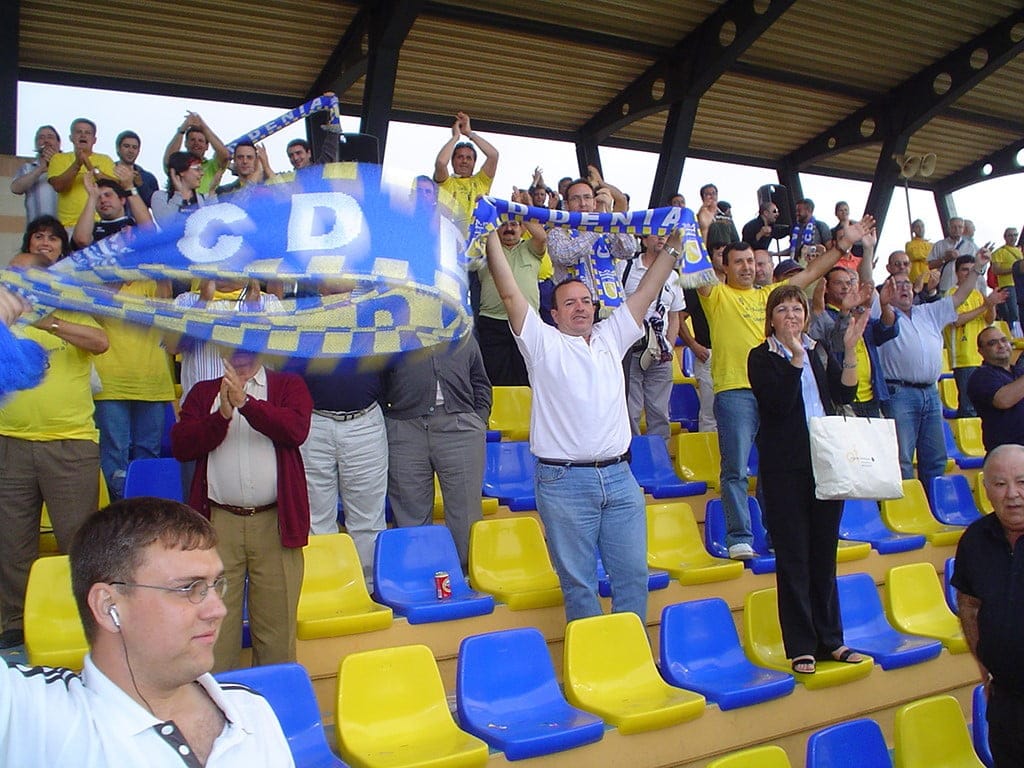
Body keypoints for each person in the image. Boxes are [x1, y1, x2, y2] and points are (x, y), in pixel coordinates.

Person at [484, 222, 684, 623]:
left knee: (632, 576)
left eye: (586, 301)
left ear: (595, 307)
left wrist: (675, 247)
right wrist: (491, 234)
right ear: (553, 314)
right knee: (579, 585)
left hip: (620, 478)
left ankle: (629, 660)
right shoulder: (541, 343)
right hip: (564, 482)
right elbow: (508, 291)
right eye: (569, 302)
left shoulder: (613, 335)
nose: (580, 307)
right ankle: (594, 667)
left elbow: (647, 291)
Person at [0, 496, 295, 766]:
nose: (218, 609)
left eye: (216, 584)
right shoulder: (33, 716)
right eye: (188, 588)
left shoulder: (252, 710)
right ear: (108, 606)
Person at [697, 220, 874, 560]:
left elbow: (808, 275)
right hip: (736, 390)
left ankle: (777, 532)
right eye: (738, 262)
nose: (747, 267)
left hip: (779, 390)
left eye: (751, 261)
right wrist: (701, 229)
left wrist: (842, 246)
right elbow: (697, 267)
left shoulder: (770, 297)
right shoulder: (717, 294)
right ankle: (739, 536)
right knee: (735, 467)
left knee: (773, 466)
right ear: (725, 266)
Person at [748, 284, 870, 674]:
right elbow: (779, 404)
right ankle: (801, 644)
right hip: (786, 469)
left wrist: (848, 349)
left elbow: (843, 391)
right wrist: (795, 359)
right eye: (782, 310)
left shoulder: (818, 348)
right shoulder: (761, 357)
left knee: (823, 553)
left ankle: (831, 639)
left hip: (826, 463)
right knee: (794, 556)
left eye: (797, 309)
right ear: (771, 319)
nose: (792, 317)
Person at [171, 349, 313, 672]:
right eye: (234, 346)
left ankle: (272, 710)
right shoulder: (203, 393)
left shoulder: (288, 386)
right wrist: (221, 416)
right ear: (221, 349)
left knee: (278, 633)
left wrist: (246, 405)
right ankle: (219, 712)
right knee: (214, 632)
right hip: (219, 524)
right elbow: (182, 445)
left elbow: (294, 430)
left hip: (275, 523)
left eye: (250, 346)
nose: (241, 355)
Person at [0, 251, 110, 649]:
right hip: (10, 442)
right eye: (11, 272)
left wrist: (48, 321)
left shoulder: (72, 306)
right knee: (12, 542)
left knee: (77, 540)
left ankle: (84, 621)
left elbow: (101, 342)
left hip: (70, 444)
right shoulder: (2, 318)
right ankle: (15, 624)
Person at [877, 247, 991, 492]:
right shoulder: (882, 314)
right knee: (902, 459)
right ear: (887, 291)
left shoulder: (929, 311)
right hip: (900, 393)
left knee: (936, 458)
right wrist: (867, 252)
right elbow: (867, 278)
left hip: (931, 392)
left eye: (907, 283)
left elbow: (961, 295)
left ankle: (934, 506)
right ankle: (907, 509)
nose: (905, 287)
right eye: (897, 285)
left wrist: (979, 267)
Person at [382, 337, 491, 568]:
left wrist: (479, 418)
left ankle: (467, 578)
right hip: (405, 428)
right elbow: (377, 381)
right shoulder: (391, 333)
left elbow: (480, 380)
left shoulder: (463, 332)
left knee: (466, 514)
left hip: (460, 428)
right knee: (410, 514)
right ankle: (417, 578)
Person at [952, 444, 1024, 767]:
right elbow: (968, 604)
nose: (1013, 494)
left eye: (1022, 482)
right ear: (985, 489)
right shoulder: (974, 540)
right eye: (1000, 484)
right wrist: (982, 661)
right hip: (1006, 701)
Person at [472, 200, 547, 386]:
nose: (509, 228)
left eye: (514, 224)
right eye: (503, 224)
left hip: (527, 322)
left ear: (522, 228)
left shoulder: (531, 248)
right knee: (495, 379)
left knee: (529, 377)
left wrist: (521, 209)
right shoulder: (486, 248)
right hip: (493, 323)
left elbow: (541, 236)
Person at [619, 233, 684, 444]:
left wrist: (670, 346)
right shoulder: (624, 268)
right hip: (631, 348)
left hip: (660, 351)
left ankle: (660, 459)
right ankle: (633, 456)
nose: (662, 240)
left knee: (660, 411)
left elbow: (675, 316)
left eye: (666, 236)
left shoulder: (674, 277)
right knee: (630, 409)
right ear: (644, 240)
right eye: (657, 235)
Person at [945, 255, 1005, 418]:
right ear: (956, 272)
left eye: (973, 270)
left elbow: (989, 319)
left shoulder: (978, 295)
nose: (968, 273)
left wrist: (991, 304)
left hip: (982, 357)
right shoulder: (951, 294)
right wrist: (986, 305)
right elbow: (957, 321)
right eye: (965, 270)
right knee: (968, 406)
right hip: (964, 359)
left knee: (982, 406)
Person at [432, 111, 499, 235]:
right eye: (460, 157)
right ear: (452, 161)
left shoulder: (481, 181)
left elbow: (493, 155)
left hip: (476, 243)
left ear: (474, 162)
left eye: (469, 158)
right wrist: (455, 137)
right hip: (449, 240)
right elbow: (441, 162)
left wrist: (469, 133)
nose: (464, 161)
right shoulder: (446, 182)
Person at [47, 118, 117, 228]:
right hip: (68, 225)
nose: (83, 135)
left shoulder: (106, 160)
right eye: (79, 132)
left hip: (99, 223)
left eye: (88, 133)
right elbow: (58, 186)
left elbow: (114, 187)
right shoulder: (58, 158)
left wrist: (88, 164)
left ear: (94, 140)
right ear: (71, 137)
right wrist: (77, 164)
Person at [967, 326, 1024, 452]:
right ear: (980, 351)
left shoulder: (1019, 372)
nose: (1001, 345)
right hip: (1006, 456)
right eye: (993, 343)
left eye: (1004, 340)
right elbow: (1003, 400)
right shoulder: (980, 376)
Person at [162, 112, 230, 196]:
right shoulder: (179, 165)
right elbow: (169, 160)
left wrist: (203, 126)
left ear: (207, 146)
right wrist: (182, 129)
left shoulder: (212, 166)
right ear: (186, 143)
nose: (196, 143)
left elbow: (225, 156)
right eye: (192, 140)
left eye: (200, 141)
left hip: (206, 207)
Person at [10, 124, 60, 222]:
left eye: (50, 137)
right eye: (41, 138)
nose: (46, 141)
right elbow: (15, 189)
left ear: (58, 143)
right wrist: (40, 169)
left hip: (63, 231)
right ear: (36, 144)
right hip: (36, 229)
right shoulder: (27, 168)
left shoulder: (68, 167)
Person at [150, 152, 217, 224]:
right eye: (197, 169)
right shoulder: (160, 197)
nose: (202, 173)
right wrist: (178, 194)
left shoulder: (203, 198)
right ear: (181, 171)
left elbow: (213, 224)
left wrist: (212, 191)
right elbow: (166, 224)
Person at [113, 130, 160, 207]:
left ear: (138, 151)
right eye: (126, 146)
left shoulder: (148, 177)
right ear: (118, 148)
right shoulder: (108, 171)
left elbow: (156, 206)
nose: (131, 151)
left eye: (134, 147)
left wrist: (141, 185)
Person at [990, 227, 1022, 326]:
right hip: (1008, 285)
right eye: (1010, 235)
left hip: (1020, 285)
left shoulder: (1020, 251)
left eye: (1015, 235)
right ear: (1005, 237)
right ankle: (1013, 334)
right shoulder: (999, 252)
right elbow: (995, 270)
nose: (1013, 238)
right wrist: (1014, 269)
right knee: (1013, 313)